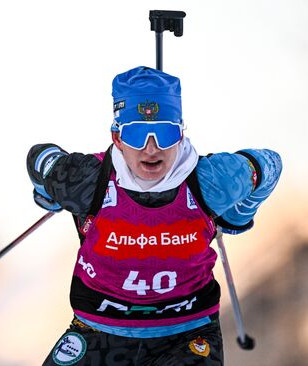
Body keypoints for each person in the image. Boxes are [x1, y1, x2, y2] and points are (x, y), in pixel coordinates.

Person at [27, 66, 282, 366]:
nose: (151, 148)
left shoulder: (213, 181)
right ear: (117, 137)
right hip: (99, 331)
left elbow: (270, 165)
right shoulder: (85, 180)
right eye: (136, 135)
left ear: (181, 133)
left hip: (187, 334)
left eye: (165, 132)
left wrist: (238, 215)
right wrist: (48, 193)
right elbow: (39, 158)